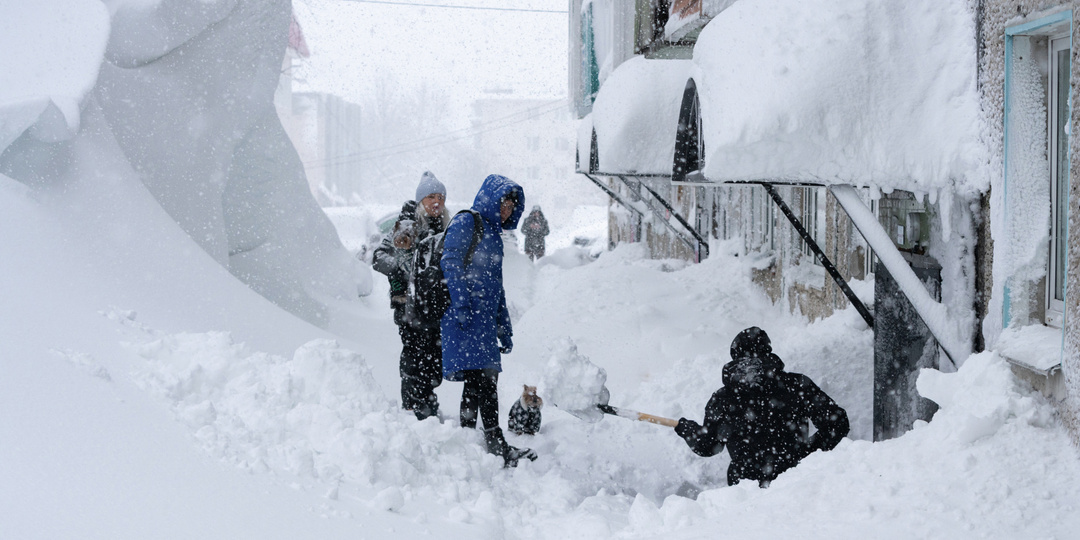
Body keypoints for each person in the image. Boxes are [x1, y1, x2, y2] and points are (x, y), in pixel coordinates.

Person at [440, 174, 537, 467]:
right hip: (464, 317)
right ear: (490, 198)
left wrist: (503, 325)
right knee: (483, 380)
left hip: (482, 320)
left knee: (479, 380)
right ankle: (494, 443)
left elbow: (496, 285)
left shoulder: (495, 235)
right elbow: (450, 261)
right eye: (503, 201)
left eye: (511, 204)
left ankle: (471, 441)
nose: (507, 208)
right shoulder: (467, 222)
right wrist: (461, 303)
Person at [674, 327, 849, 487]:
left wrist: (689, 430)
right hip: (796, 481)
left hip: (745, 491)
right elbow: (837, 423)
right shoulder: (796, 385)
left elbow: (708, 445)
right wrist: (809, 452)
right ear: (767, 350)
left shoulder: (723, 398)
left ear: (735, 356)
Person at [372, 171, 449, 420]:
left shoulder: (446, 228)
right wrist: (404, 271)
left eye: (441, 197)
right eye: (431, 197)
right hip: (408, 307)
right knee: (415, 356)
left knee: (434, 359)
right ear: (420, 202)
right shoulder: (406, 225)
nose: (437, 202)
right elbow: (378, 257)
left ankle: (426, 402)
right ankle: (413, 406)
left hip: (435, 308)